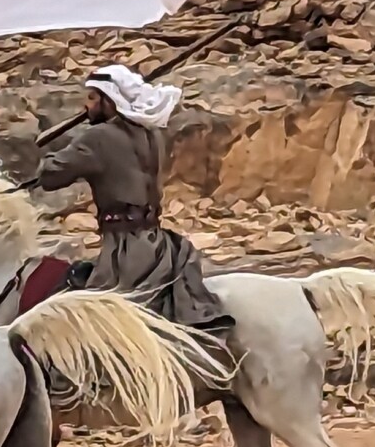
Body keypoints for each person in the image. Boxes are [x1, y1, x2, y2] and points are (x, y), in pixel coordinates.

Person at [35, 64, 231, 332]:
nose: (87, 105)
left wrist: (46, 157)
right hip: (159, 245)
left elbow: (50, 176)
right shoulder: (153, 135)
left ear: (110, 100)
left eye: (92, 98)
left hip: (124, 254)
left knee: (83, 327)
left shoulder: (97, 138)